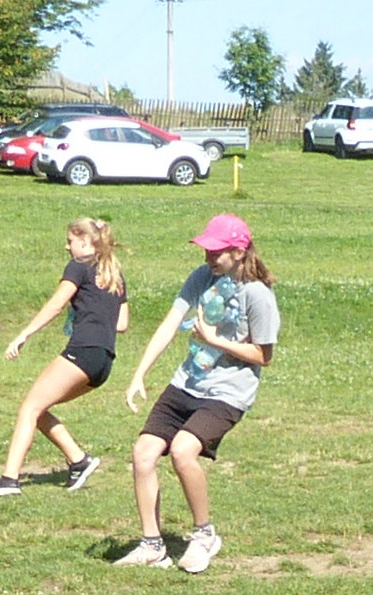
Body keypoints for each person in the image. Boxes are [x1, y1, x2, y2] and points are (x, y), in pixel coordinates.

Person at [116, 214, 280, 573]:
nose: (208, 257)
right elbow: (170, 324)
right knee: (143, 453)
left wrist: (215, 341)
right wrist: (139, 374)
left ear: (238, 252)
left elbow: (263, 356)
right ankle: (152, 546)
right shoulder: (201, 277)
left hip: (227, 393)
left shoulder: (257, 294)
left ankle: (204, 535)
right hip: (186, 383)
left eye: (216, 251)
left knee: (182, 450)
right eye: (206, 249)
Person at [0, 218, 128, 499]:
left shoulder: (78, 266)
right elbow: (122, 323)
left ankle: (9, 480)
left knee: (29, 408)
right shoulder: (114, 274)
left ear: (85, 241)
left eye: (70, 241)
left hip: (83, 350)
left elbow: (56, 304)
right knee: (39, 410)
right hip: (104, 360)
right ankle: (79, 461)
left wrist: (24, 334)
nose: (67, 247)